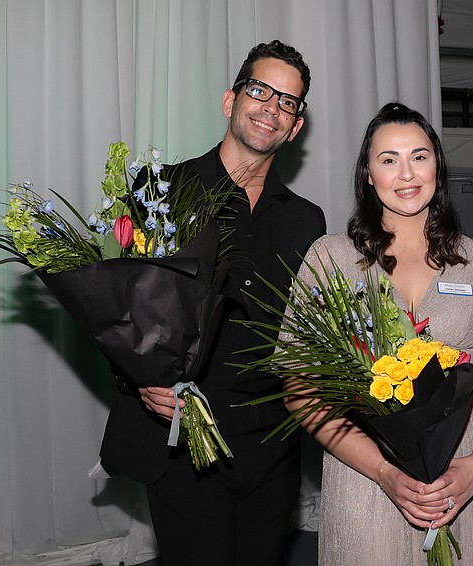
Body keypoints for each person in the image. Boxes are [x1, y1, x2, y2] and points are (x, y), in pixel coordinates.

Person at [98, 40, 326, 566]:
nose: (271, 107)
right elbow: (116, 305)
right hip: (183, 435)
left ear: (295, 127)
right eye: (260, 91)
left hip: (273, 446)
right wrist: (138, 377)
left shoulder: (306, 221)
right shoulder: (160, 191)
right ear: (231, 100)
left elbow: (305, 333)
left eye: (286, 102)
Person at [286, 102, 473, 565]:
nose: (407, 173)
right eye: (389, 159)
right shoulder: (331, 259)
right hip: (364, 479)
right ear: (368, 173)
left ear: (438, 163)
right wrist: (382, 471)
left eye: (419, 155)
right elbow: (301, 386)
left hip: (464, 482)